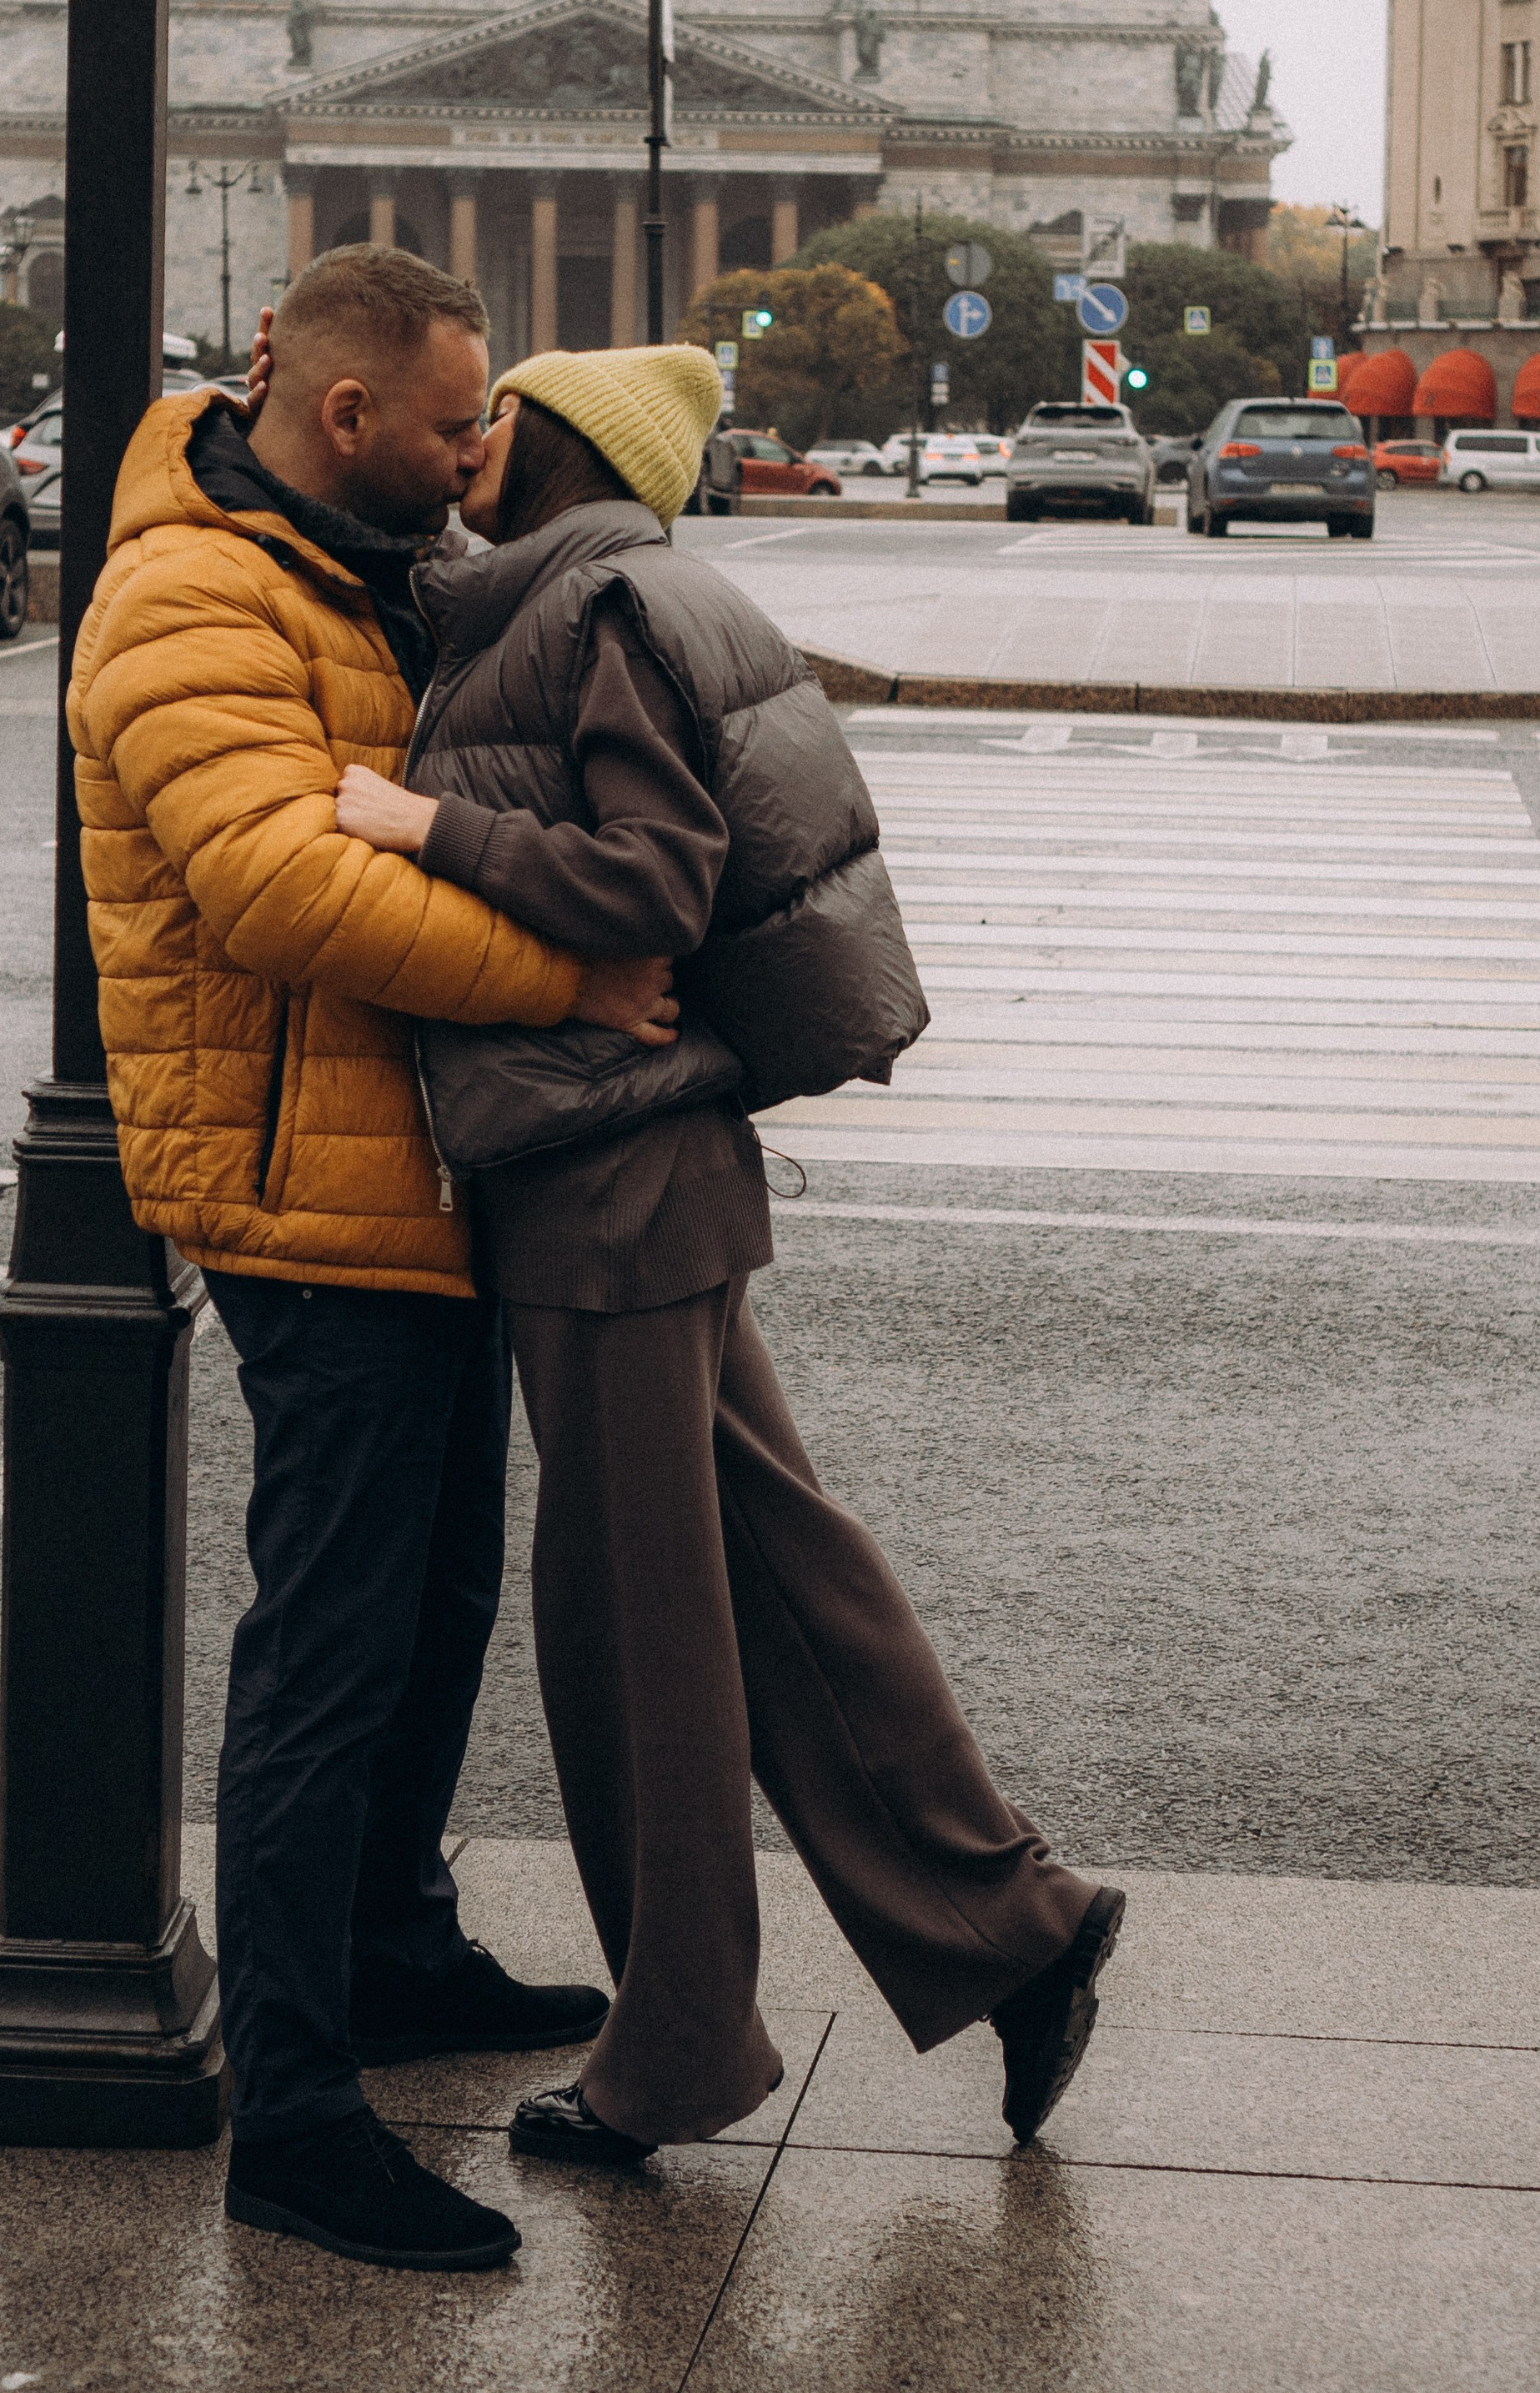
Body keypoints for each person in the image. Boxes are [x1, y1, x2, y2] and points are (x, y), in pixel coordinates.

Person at [328, 339, 1126, 2167]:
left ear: (566, 445)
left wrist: (419, 820)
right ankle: (1016, 1923)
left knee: (635, 1635)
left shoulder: (600, 606)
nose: (471, 431)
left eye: (496, 411)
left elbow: (651, 885)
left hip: (605, 1172)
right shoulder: (578, 591)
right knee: (772, 1578)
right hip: (636, 1171)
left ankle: (677, 2047)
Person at [68, 247, 678, 2275]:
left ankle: (395, 1952)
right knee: (326, 1654)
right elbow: (275, 887)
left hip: (403, 1172)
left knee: (428, 1603)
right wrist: (571, 975)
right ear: (345, 417)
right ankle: (297, 2117)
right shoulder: (188, 592)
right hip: (300, 1189)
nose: (476, 449)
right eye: (450, 421)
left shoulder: (349, 560)